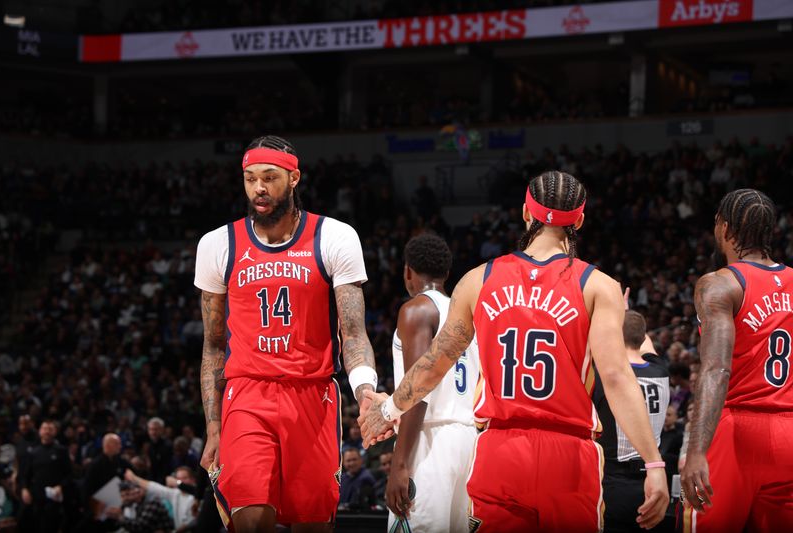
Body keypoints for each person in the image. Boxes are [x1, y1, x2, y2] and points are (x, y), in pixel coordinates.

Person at [360, 171, 669, 532]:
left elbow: (433, 364)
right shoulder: (598, 286)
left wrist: (387, 409)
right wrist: (654, 464)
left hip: (499, 450)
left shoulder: (478, 279)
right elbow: (616, 379)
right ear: (580, 221)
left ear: (526, 212)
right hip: (568, 454)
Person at [194, 135, 378, 532]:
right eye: (250, 178)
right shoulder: (216, 244)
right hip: (246, 393)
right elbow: (212, 347)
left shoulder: (335, 237)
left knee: (312, 523)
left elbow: (354, 333)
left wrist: (364, 391)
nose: (259, 188)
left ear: (295, 178)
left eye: (270, 177)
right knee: (250, 518)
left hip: (312, 393)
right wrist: (213, 429)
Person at [679, 189, 793, 532]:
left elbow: (716, 369)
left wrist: (697, 449)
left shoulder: (719, 284)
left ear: (724, 228)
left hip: (736, 430)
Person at [386, 233, 479, 533]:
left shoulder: (417, 310)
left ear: (407, 271)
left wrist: (399, 464)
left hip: (429, 441)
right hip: (467, 442)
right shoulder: (467, 316)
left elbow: (419, 390)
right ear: (447, 274)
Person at [594, 310, 670, 532]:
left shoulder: (605, 377)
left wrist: (614, 313)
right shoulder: (661, 370)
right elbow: (644, 343)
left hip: (612, 482)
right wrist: (624, 313)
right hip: (652, 478)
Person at [19, 420, 73, 533]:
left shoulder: (61, 451)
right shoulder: (33, 452)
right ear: (40, 431)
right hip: (37, 498)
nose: (47, 431)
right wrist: (24, 489)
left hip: (55, 497)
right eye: (44, 429)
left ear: (55, 432)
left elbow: (69, 474)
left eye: (50, 429)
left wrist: (61, 486)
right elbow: (25, 475)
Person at [125, 466, 198, 531]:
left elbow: (192, 521)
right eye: (178, 478)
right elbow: (155, 487)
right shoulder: (175, 493)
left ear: (193, 479)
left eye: (184, 478)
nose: (181, 481)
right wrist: (134, 478)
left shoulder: (198, 496)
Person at [104, 481, 174, 533]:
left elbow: (140, 526)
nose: (133, 494)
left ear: (144, 490)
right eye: (132, 493)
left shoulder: (152, 502)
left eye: (137, 492)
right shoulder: (133, 504)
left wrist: (120, 516)